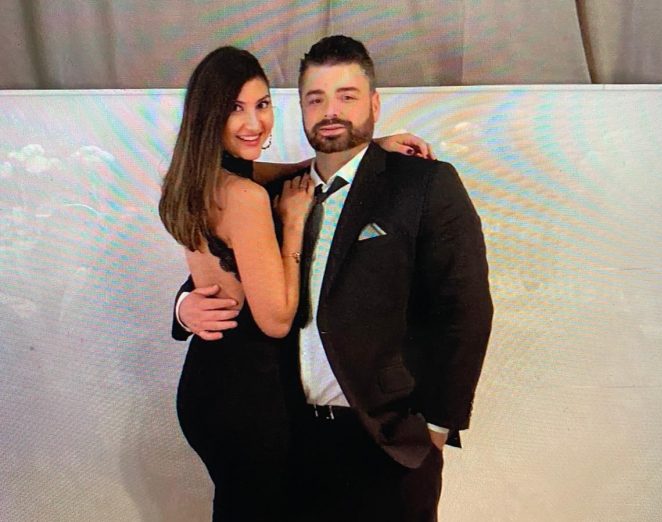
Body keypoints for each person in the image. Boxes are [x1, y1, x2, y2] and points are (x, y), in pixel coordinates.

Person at [177, 35, 493, 521]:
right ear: (301, 109)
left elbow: (465, 311)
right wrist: (183, 306)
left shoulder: (424, 184)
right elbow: (230, 268)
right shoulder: (275, 192)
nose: (331, 112)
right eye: (315, 99)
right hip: (290, 436)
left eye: (347, 97)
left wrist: (437, 426)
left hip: (385, 439)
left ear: (374, 104)